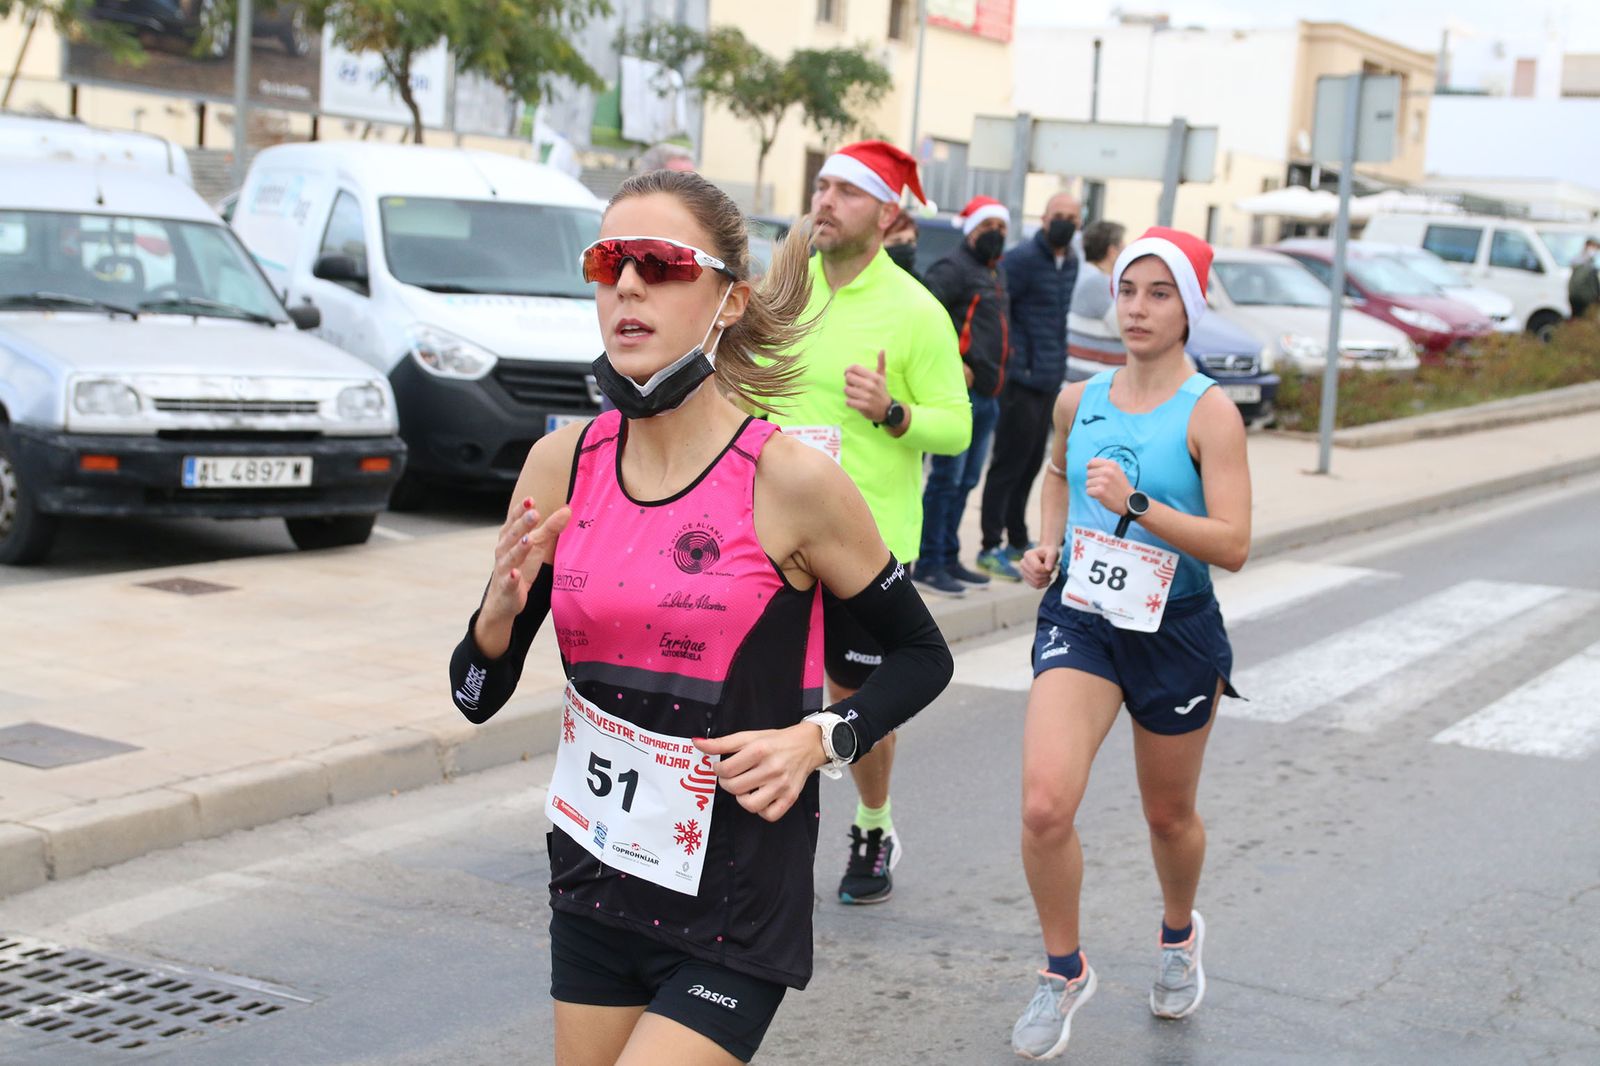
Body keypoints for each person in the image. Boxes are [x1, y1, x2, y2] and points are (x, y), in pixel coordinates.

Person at [446, 169, 954, 1065]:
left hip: (733, 896)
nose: (628, 285)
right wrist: (494, 617)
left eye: (662, 263)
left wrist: (822, 738)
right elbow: (475, 694)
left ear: (728, 298)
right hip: (595, 880)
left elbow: (922, 655)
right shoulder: (562, 464)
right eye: (608, 262)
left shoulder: (787, 479)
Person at [1008, 226, 1252, 1060]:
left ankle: (1179, 936)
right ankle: (1062, 969)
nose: (1139, 308)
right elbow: (1056, 476)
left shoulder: (1210, 412)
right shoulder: (1082, 399)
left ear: (1189, 307)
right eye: (1128, 290)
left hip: (1174, 628)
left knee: (1168, 813)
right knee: (1045, 806)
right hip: (1082, 619)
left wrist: (1141, 505)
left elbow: (1233, 543)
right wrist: (1049, 545)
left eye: (1160, 293)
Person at [773, 139, 972, 905]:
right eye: (822, 185)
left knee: (856, 696)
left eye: (847, 192)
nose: (825, 201)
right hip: (775, 533)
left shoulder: (916, 310)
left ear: (888, 214)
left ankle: (874, 821)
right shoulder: (787, 293)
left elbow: (955, 427)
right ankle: (762, 832)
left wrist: (891, 412)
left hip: (866, 542)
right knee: (763, 688)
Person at [977, 192, 1082, 582]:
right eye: (1059, 215)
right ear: (1044, 216)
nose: (1065, 222)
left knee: (1033, 463)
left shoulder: (1070, 262)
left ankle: (1017, 537)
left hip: (1050, 379)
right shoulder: (1021, 260)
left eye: (1072, 217)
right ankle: (989, 544)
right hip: (1020, 380)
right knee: (1007, 463)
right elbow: (1004, 313)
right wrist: (1018, 360)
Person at [916, 195, 1013, 596]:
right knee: (946, 479)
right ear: (970, 229)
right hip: (959, 393)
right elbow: (922, 316)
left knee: (966, 480)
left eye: (1002, 230)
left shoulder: (994, 272)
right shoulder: (952, 268)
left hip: (989, 397)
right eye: (988, 228)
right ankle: (928, 561)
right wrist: (957, 366)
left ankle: (950, 555)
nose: (995, 236)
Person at [1065, 220, 1127, 380]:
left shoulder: (1086, 274)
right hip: (1089, 385)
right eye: (1124, 248)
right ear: (1113, 252)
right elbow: (1126, 328)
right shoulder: (1099, 283)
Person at [883, 206, 922, 283]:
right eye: (897, 241)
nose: (905, 247)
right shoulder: (862, 278)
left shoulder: (918, 284)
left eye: (910, 241)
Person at [1569, 237, 1600, 321]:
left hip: (1580, 298)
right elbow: (1580, 283)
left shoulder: (1589, 263)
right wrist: (1592, 298)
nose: (1595, 251)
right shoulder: (1582, 263)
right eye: (1594, 247)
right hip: (1583, 299)